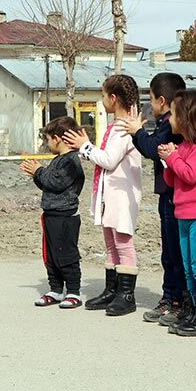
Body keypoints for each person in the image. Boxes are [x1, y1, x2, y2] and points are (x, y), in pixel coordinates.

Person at [63, 74, 143, 317]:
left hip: (122, 194)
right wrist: (88, 146)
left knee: (122, 241)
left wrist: (84, 146)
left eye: (103, 95)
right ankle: (113, 289)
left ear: (113, 98)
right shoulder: (115, 126)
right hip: (109, 195)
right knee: (110, 241)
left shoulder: (125, 128)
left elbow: (109, 160)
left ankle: (126, 295)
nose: (102, 100)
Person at [117, 72, 187, 324]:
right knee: (169, 251)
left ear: (161, 100)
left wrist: (138, 131)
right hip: (166, 193)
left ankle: (177, 299)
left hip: (174, 195)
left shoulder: (171, 122)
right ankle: (170, 298)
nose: (150, 104)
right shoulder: (168, 121)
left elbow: (151, 149)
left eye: (151, 98)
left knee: (174, 251)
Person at [157, 89, 196, 337]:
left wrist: (173, 158)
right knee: (187, 266)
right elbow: (173, 181)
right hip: (183, 215)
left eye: (173, 113)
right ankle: (193, 310)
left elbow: (190, 174)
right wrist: (168, 160)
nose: (169, 118)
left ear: (187, 118)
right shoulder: (183, 147)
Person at [21, 116, 86, 310]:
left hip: (65, 216)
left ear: (57, 138)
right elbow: (46, 183)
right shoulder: (58, 160)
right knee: (50, 255)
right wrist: (35, 173)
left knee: (66, 254)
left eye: (48, 139)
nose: (47, 144)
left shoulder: (71, 161)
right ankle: (55, 289)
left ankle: (73, 291)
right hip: (51, 214)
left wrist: (39, 170)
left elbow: (55, 182)